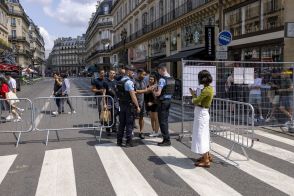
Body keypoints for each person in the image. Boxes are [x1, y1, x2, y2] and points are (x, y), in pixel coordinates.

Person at [190, 70, 214, 168]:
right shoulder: (208, 88)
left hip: (201, 113)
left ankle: (206, 159)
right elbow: (199, 101)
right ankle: (207, 155)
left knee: (200, 135)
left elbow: (196, 101)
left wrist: (193, 96)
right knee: (204, 135)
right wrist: (195, 95)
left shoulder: (206, 90)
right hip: (203, 112)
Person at [117, 65, 141, 147]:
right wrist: (137, 106)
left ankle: (119, 141)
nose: (133, 73)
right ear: (128, 71)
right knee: (129, 124)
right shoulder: (129, 82)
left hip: (122, 104)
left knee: (121, 123)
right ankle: (128, 142)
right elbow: (133, 95)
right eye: (132, 71)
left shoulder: (121, 80)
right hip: (129, 105)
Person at [152, 63, 175, 146]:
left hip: (163, 101)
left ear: (162, 70)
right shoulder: (172, 79)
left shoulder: (162, 79)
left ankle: (166, 140)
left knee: (162, 121)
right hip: (169, 101)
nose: (158, 73)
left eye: (159, 71)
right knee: (165, 121)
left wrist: (153, 90)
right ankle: (166, 138)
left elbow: (158, 93)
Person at [134, 69, 148, 139]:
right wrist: (143, 91)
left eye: (145, 74)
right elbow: (133, 92)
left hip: (142, 102)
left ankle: (141, 132)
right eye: (143, 74)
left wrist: (140, 91)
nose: (144, 76)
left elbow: (146, 90)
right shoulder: (133, 81)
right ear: (138, 73)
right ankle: (130, 132)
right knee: (132, 118)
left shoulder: (144, 81)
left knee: (141, 118)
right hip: (134, 103)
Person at [105, 69, 119, 135]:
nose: (112, 74)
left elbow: (117, 91)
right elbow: (104, 92)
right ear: (109, 73)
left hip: (115, 101)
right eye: (111, 73)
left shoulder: (116, 82)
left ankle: (114, 128)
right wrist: (104, 103)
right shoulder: (105, 81)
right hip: (108, 101)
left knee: (115, 115)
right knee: (108, 115)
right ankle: (108, 129)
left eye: (114, 73)